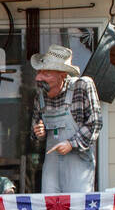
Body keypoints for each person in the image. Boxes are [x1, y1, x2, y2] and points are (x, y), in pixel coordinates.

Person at [30, 44, 101, 194]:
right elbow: (34, 137)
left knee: (78, 206)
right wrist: (39, 134)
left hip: (77, 162)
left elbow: (95, 122)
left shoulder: (82, 86)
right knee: (50, 207)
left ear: (62, 75)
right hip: (52, 165)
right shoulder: (40, 97)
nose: (39, 78)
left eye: (46, 73)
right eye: (39, 72)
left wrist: (71, 143)